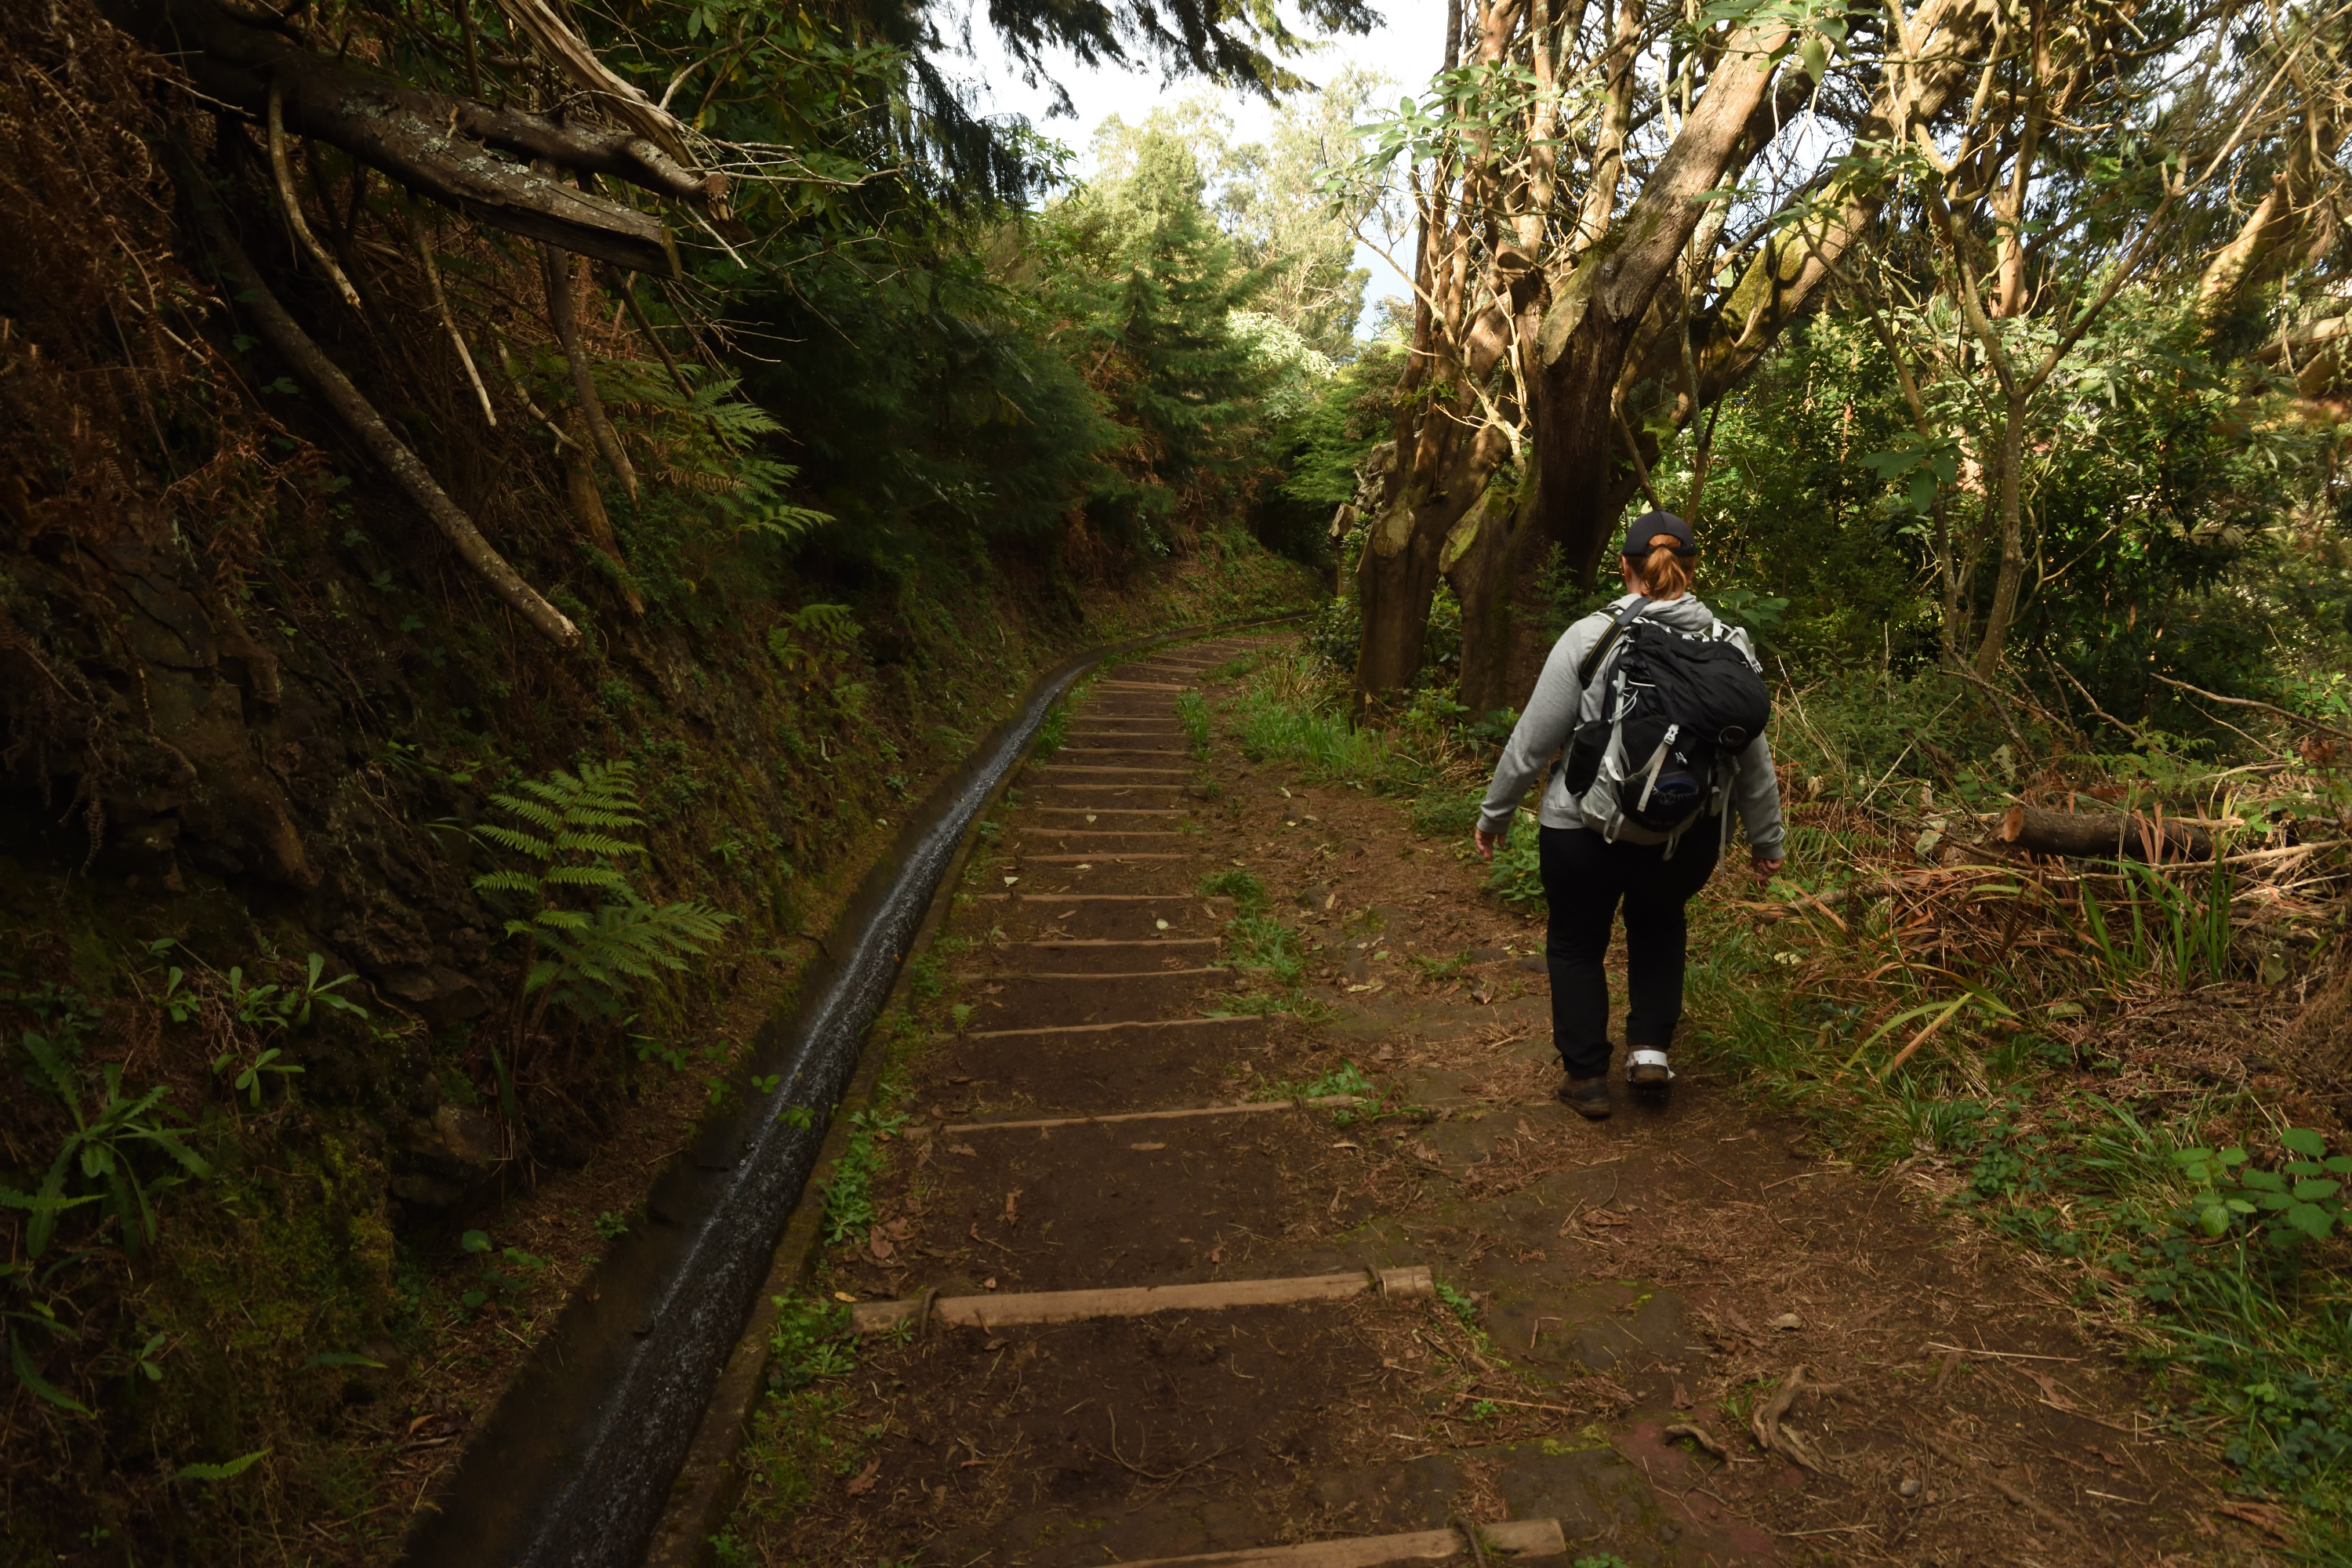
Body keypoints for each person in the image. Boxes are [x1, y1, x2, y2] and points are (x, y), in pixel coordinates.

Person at [1472, 511, 1785, 1120]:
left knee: (1575, 943)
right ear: (1691, 568)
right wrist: (1766, 839)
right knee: (1660, 924)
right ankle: (1649, 1054)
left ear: (1624, 567)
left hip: (1581, 827)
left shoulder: (1592, 636)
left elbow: (1533, 740)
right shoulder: (1729, 645)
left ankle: (1587, 1077)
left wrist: (1496, 813)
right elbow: (1753, 757)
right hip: (1684, 837)